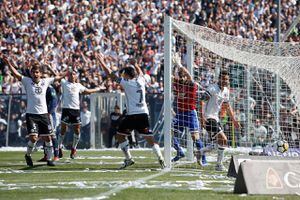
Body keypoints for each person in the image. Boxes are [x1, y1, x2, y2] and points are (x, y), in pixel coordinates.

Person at [96, 53, 165, 169]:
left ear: (127, 75)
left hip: (132, 115)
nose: (122, 76)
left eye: (124, 74)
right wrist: (136, 64)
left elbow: (110, 75)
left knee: (119, 136)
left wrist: (102, 62)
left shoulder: (127, 83)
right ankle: (160, 158)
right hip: (143, 114)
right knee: (150, 138)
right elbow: (142, 74)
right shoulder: (142, 80)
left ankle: (128, 158)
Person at [1, 55, 65, 166]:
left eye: (37, 72)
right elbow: (16, 74)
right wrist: (8, 63)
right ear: (31, 73)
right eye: (33, 72)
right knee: (34, 137)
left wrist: (67, 72)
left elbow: (58, 77)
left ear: (40, 73)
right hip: (31, 115)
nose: (35, 74)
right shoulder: (27, 81)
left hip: (44, 115)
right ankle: (28, 155)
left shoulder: (46, 81)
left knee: (47, 137)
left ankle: (49, 159)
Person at [199, 70, 240, 171]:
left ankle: (201, 151)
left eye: (226, 79)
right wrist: (202, 117)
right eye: (223, 78)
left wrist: (234, 120)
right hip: (208, 117)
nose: (225, 81)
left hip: (216, 118)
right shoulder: (212, 88)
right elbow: (202, 101)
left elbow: (227, 106)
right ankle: (219, 165)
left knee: (219, 143)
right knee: (224, 140)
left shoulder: (226, 91)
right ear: (219, 78)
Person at [57, 68, 101, 159]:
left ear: (76, 76)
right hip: (66, 110)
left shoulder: (78, 85)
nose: (72, 76)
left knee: (77, 130)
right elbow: (56, 75)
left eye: (74, 74)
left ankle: (74, 149)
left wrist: (98, 89)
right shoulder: (64, 83)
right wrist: (65, 72)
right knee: (63, 130)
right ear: (68, 75)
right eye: (71, 74)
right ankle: (59, 147)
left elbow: (88, 91)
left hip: (76, 110)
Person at [171, 62, 207, 166]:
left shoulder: (192, 85)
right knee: (172, 135)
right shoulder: (178, 84)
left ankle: (203, 157)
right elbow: (174, 77)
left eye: (183, 76)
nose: (182, 77)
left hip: (190, 114)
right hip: (180, 114)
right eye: (180, 75)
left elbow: (188, 75)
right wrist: (175, 68)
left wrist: (179, 65)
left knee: (195, 137)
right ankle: (179, 152)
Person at [38, 83, 60, 162]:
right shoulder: (40, 88)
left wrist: (49, 112)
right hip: (42, 114)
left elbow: (54, 101)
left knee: (52, 134)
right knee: (45, 135)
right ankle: (46, 155)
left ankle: (56, 155)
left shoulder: (50, 88)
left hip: (49, 115)